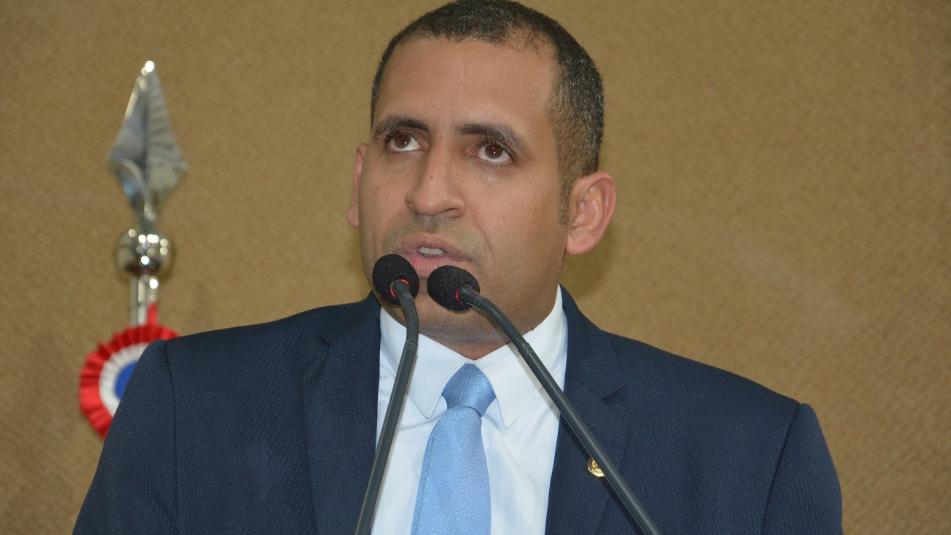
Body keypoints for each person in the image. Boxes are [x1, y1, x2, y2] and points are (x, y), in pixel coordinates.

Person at [75, 1, 842, 534]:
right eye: (403, 141)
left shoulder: (748, 456)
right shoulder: (192, 409)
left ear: (583, 212)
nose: (428, 192)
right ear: (357, 182)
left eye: (491, 151)